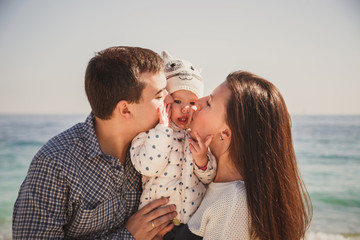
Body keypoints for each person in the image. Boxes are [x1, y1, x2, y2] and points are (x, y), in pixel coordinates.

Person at [12, 46, 178, 239]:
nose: (170, 99)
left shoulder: (157, 145)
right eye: (159, 95)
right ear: (125, 110)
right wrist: (128, 236)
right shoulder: (54, 163)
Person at [174, 71, 312, 240]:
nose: (198, 102)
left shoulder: (235, 202)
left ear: (225, 133)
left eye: (209, 103)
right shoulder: (207, 179)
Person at [130, 51, 216, 231]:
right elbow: (147, 167)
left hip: (192, 225)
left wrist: (202, 161)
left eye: (192, 102)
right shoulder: (149, 133)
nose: (185, 108)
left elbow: (209, 178)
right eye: (177, 101)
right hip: (158, 224)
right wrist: (163, 129)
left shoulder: (196, 135)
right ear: (164, 100)